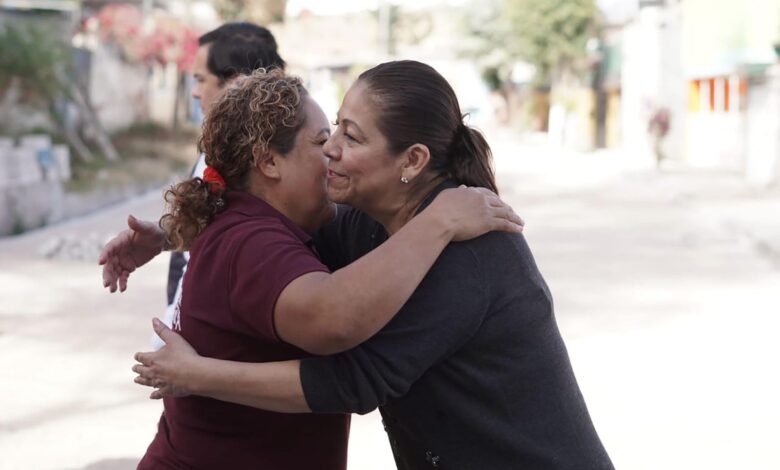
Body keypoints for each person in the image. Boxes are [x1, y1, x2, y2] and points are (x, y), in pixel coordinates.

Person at [134, 61, 615, 470]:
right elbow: (254, 245)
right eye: (331, 130)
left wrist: (199, 375)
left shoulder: (469, 247)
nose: (332, 149)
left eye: (350, 136)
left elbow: (355, 379)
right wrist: (169, 234)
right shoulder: (367, 224)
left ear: (412, 160)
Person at [102, 22, 286, 348]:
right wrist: (164, 238)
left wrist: (199, 370)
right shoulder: (218, 151)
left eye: (201, 80)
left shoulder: (271, 170)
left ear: (237, 84)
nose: (195, 92)